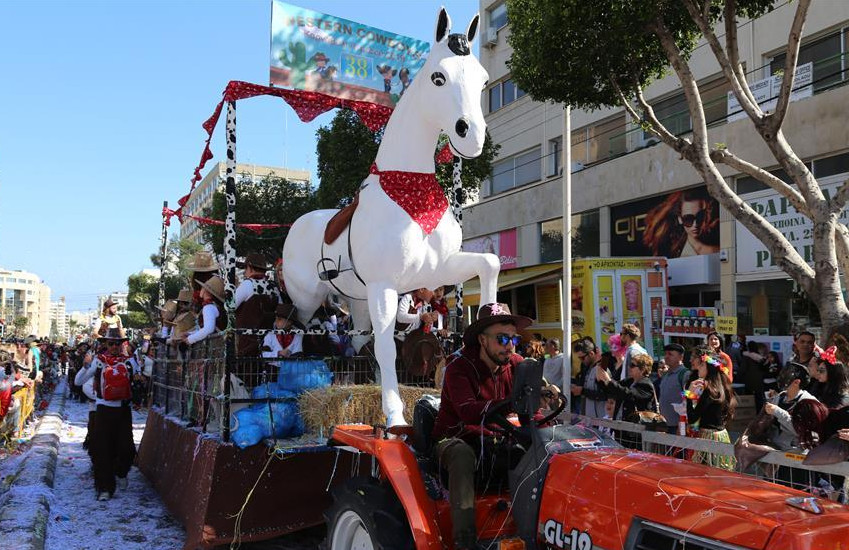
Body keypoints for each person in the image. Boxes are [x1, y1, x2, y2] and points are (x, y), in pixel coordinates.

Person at [432, 303, 554, 550]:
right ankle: (465, 541)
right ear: (482, 340)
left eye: (513, 339)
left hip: (497, 437)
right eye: (502, 339)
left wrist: (549, 431)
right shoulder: (459, 368)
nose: (509, 345)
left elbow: (534, 411)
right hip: (455, 437)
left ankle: (539, 529)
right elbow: (467, 411)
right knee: (462, 455)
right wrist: (510, 402)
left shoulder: (519, 364)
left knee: (543, 450)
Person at [74, 328, 136, 501]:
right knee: (102, 450)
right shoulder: (99, 362)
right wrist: (86, 365)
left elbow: (143, 378)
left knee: (127, 448)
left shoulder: (130, 362)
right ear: (105, 344)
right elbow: (78, 381)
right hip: (103, 410)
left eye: (118, 343)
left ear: (123, 344)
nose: (115, 346)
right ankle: (105, 488)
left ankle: (121, 471)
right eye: (111, 343)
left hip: (123, 410)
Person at [684, 348, 737, 470]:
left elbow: (692, 419)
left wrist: (689, 395)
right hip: (722, 436)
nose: (698, 368)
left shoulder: (709, 390)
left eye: (702, 365)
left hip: (708, 439)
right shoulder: (723, 387)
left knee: (706, 473)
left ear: (710, 368)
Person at [642, 187, 719, 257]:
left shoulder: (717, 250)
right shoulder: (673, 253)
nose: (695, 224)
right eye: (688, 219)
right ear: (680, 219)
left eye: (700, 216)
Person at [764, 362, 819, 451]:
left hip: (795, 453)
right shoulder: (780, 397)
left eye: (787, 375)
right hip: (775, 448)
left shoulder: (808, 402)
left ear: (797, 382)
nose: (782, 377)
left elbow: (800, 430)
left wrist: (777, 412)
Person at [396, 288, 442, 378]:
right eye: (431, 290)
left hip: (414, 345)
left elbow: (425, 329)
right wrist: (421, 317)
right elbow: (400, 317)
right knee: (402, 375)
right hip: (400, 343)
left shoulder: (426, 305)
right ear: (421, 290)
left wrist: (430, 320)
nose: (433, 293)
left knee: (414, 376)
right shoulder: (408, 298)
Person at [180, 276, 226, 346]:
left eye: (203, 287)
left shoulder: (208, 307)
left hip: (213, 347)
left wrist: (190, 339)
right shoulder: (213, 306)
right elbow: (206, 328)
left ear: (206, 290)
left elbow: (209, 329)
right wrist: (191, 334)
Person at [658, 343, 689, 434]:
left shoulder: (684, 375)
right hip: (664, 426)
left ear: (681, 357)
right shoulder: (666, 375)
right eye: (666, 354)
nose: (666, 357)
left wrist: (683, 426)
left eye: (670, 354)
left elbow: (688, 398)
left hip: (678, 427)